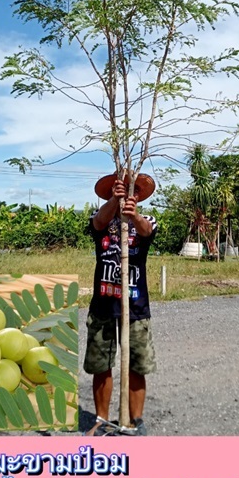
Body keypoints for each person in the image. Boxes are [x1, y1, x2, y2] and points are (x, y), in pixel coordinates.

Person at [84, 172, 158, 436]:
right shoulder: (99, 216)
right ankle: (101, 419)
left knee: (137, 365)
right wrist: (115, 202)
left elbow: (146, 230)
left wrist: (133, 215)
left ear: (138, 196)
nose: (128, 193)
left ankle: (134, 419)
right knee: (101, 365)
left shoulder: (146, 219)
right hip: (103, 304)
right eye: (123, 189)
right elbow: (99, 223)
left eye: (133, 190)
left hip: (136, 305)